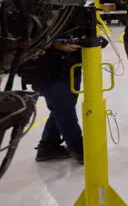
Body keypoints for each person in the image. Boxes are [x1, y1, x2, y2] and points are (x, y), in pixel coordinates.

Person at [25, 21, 86, 164]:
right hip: (46, 71)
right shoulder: (31, 10)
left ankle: (48, 146)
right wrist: (54, 44)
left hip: (71, 67)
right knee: (64, 109)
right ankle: (79, 149)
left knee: (62, 109)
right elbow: (26, 42)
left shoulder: (73, 10)